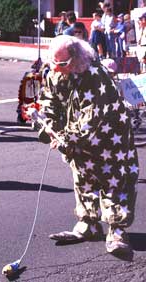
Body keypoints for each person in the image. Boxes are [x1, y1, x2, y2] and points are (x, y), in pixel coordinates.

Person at [38, 35, 139, 255]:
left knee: (115, 182)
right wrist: (50, 127)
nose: (56, 68)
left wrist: (64, 139)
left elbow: (91, 120)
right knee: (83, 178)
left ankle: (117, 231)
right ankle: (88, 225)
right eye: (53, 62)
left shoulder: (96, 77)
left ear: (76, 58)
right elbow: (49, 101)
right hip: (77, 140)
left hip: (110, 140)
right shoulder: (54, 71)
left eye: (62, 64)